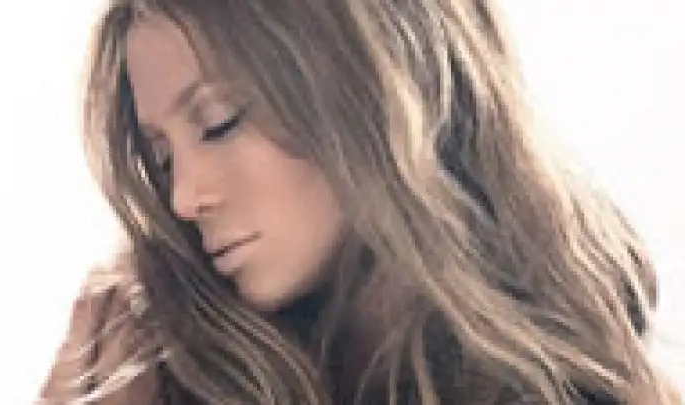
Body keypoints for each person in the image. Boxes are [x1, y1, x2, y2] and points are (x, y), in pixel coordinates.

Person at [38, 0, 682, 404]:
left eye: (219, 123)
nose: (184, 197)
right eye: (162, 158)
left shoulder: (588, 381)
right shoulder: (154, 364)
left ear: (370, 88)